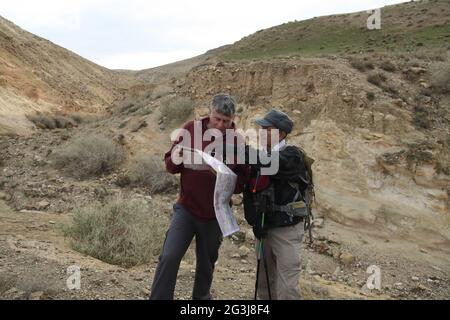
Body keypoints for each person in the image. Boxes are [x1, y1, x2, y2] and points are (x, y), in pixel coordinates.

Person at [149, 94, 247, 300]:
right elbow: (170, 165)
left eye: (226, 121)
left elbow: (240, 184)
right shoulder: (190, 129)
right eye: (216, 119)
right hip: (187, 208)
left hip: (216, 213)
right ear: (209, 112)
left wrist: (223, 175)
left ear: (233, 119)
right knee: (169, 256)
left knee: (206, 264)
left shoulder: (237, 140)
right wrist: (179, 156)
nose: (220, 125)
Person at [243, 109, 312, 300]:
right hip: (263, 229)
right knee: (264, 285)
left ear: (280, 134)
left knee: (287, 288)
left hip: (287, 231)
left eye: (267, 128)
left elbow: (274, 163)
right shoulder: (258, 156)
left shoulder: (293, 156)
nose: (261, 132)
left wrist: (241, 151)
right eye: (261, 128)